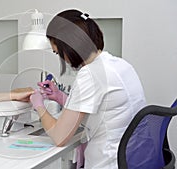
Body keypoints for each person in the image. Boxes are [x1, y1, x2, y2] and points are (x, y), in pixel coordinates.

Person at [29, 9, 146, 169]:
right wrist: (59, 96)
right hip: (133, 159)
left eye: (58, 52)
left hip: (109, 163)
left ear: (68, 46)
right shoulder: (119, 64)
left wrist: (39, 106)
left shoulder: (90, 74)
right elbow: (100, 109)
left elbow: (60, 137)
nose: (61, 58)